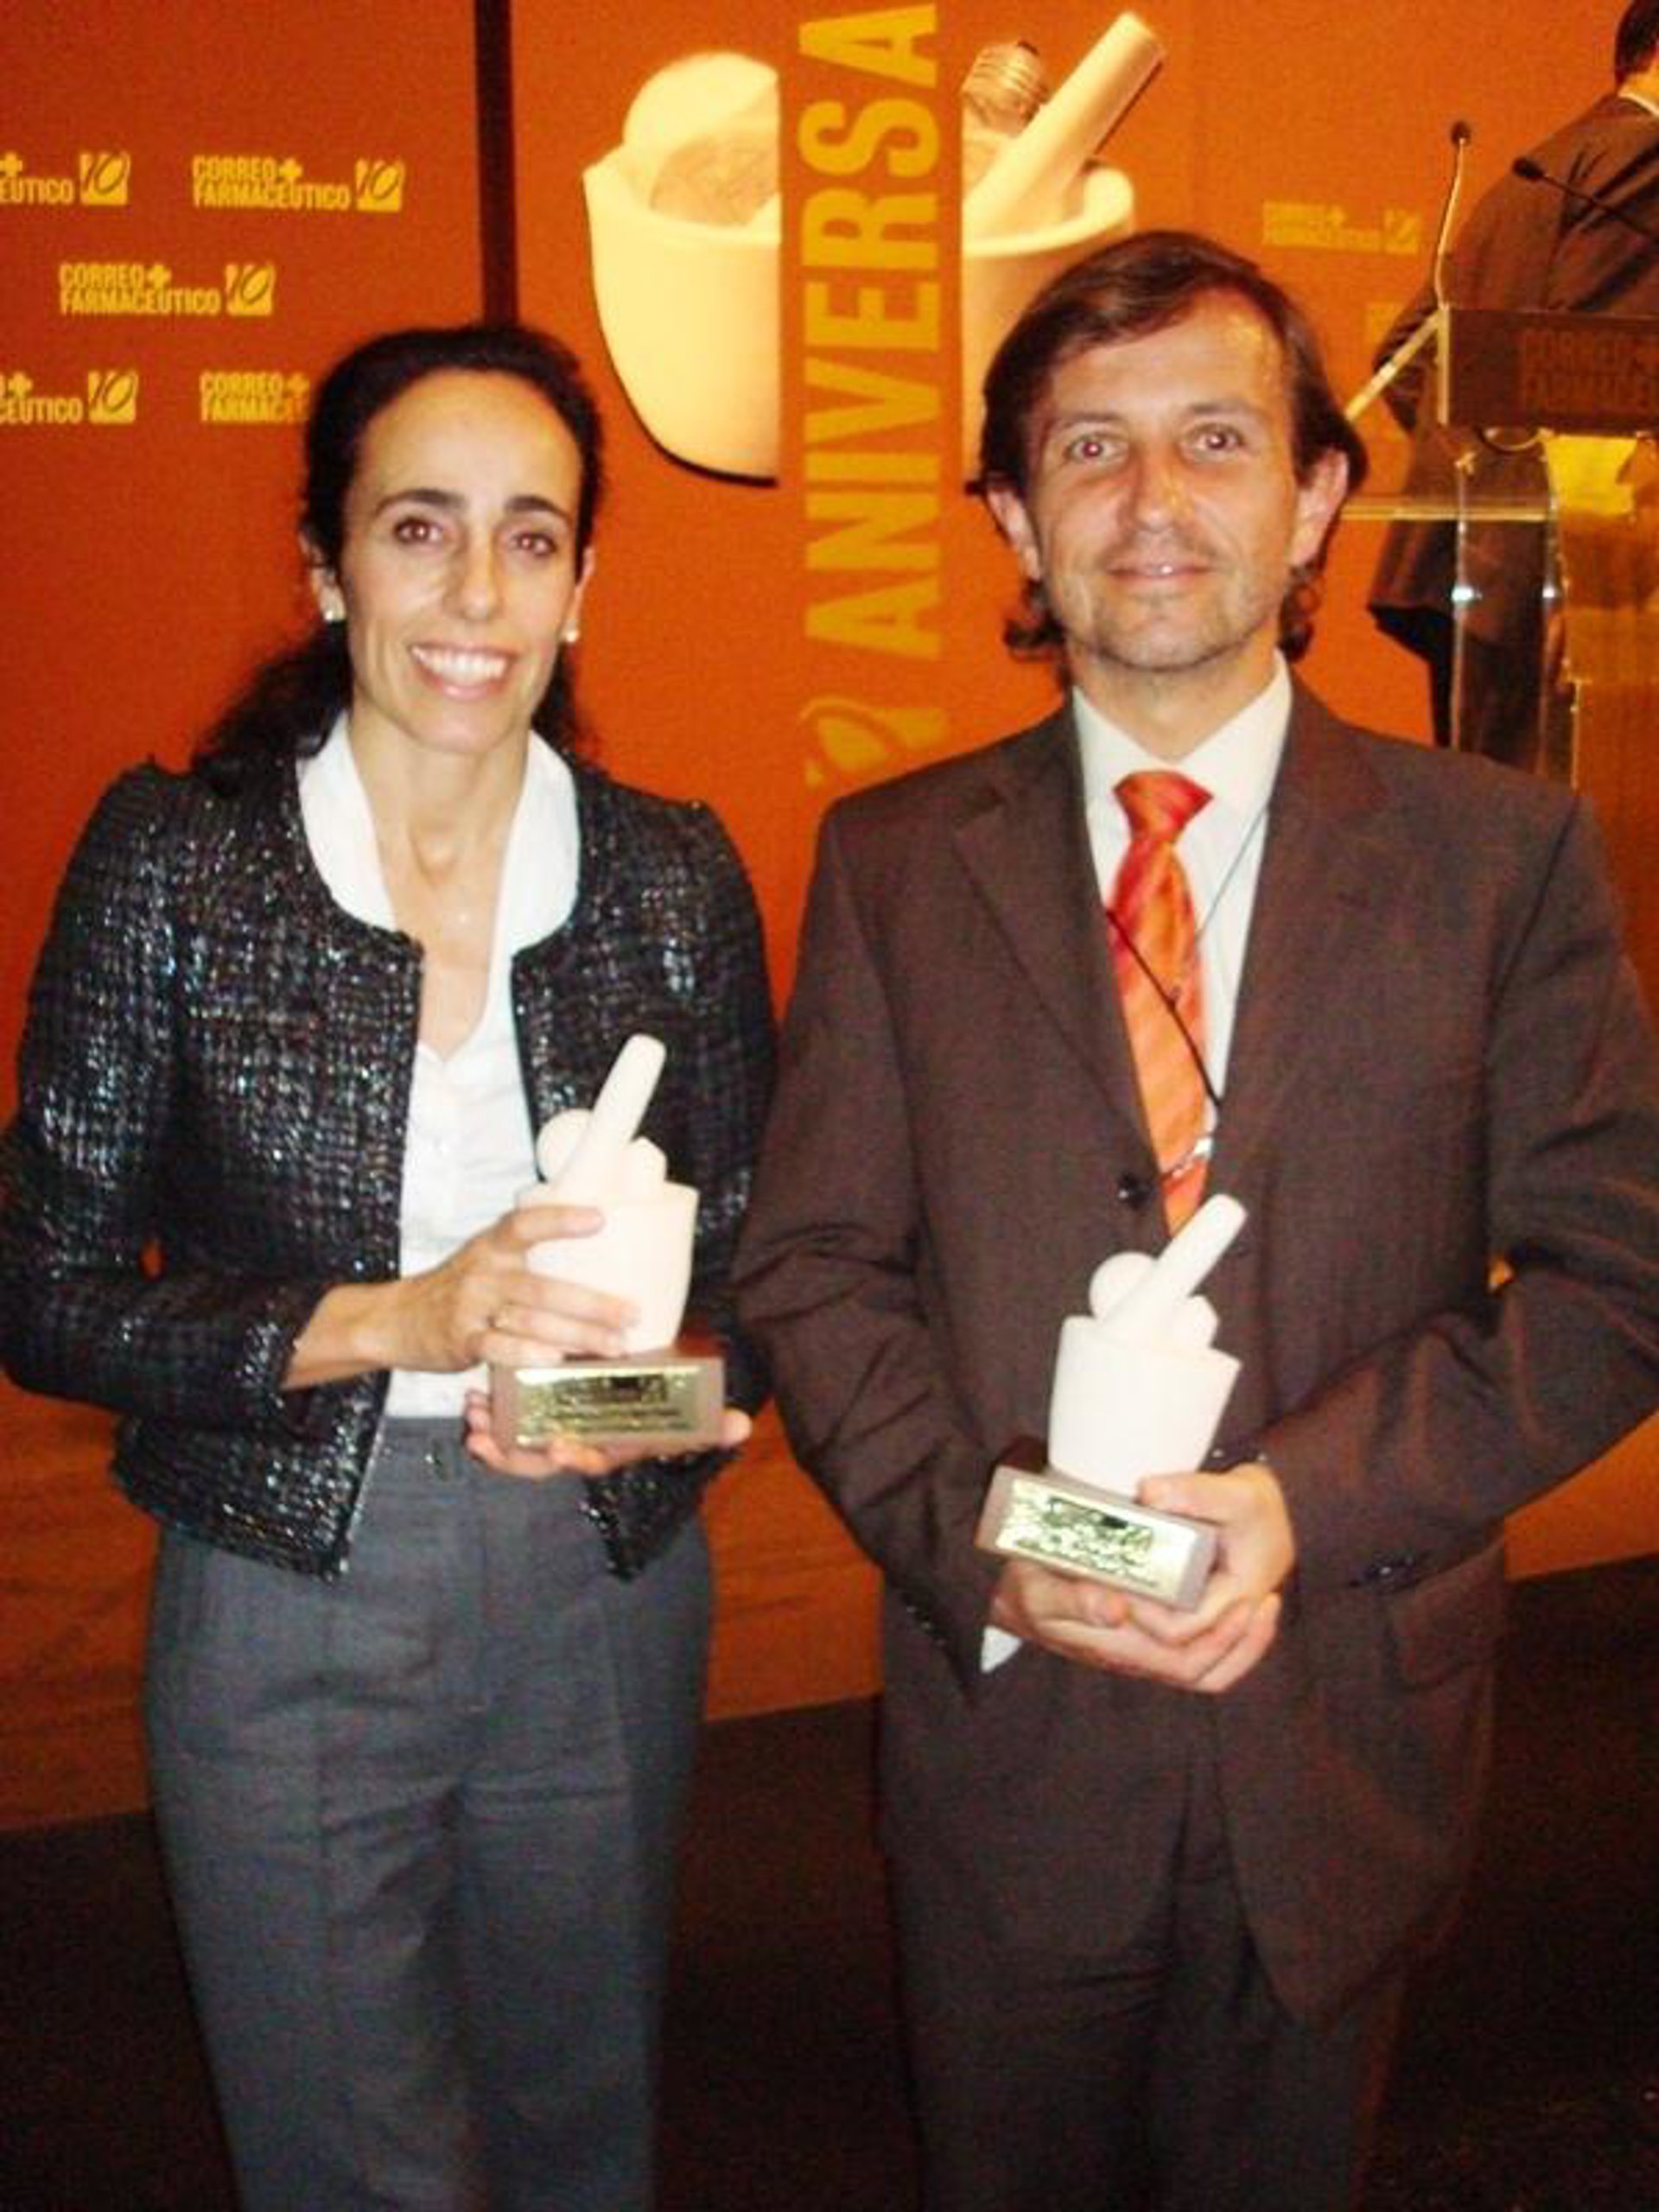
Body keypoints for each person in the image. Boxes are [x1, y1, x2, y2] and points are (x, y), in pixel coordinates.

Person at [734, 230, 1659, 2212]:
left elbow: (1619, 1281)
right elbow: (811, 1268)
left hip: (1341, 1732)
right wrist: (985, 1535)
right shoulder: (892, 863)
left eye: (1216, 437)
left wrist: (1302, 1496)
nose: (1152, 497)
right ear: (1012, 515)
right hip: (1010, 1745)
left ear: (1316, 496)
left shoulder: (1499, 860)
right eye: (1088, 447)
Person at [0, 321, 773, 2212]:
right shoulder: (178, 862)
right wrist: (395, 1322)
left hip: (600, 1575)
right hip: (285, 1578)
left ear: (584, 584)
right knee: (343, 2149)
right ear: (328, 563)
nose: (477, 592)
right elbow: (46, 1287)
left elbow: (761, 1287)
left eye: (532, 536)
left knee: (583, 2123)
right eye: (420, 528)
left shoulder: (671, 874)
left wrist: (637, 1407)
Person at [1369, 0, 1659, 764]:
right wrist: (1577, 568)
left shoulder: (1540, 169)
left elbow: (1405, 354)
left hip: (1476, 571)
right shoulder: (1646, 156)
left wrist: (1482, 472)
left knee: (1490, 821)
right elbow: (1599, 375)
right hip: (1563, 591)